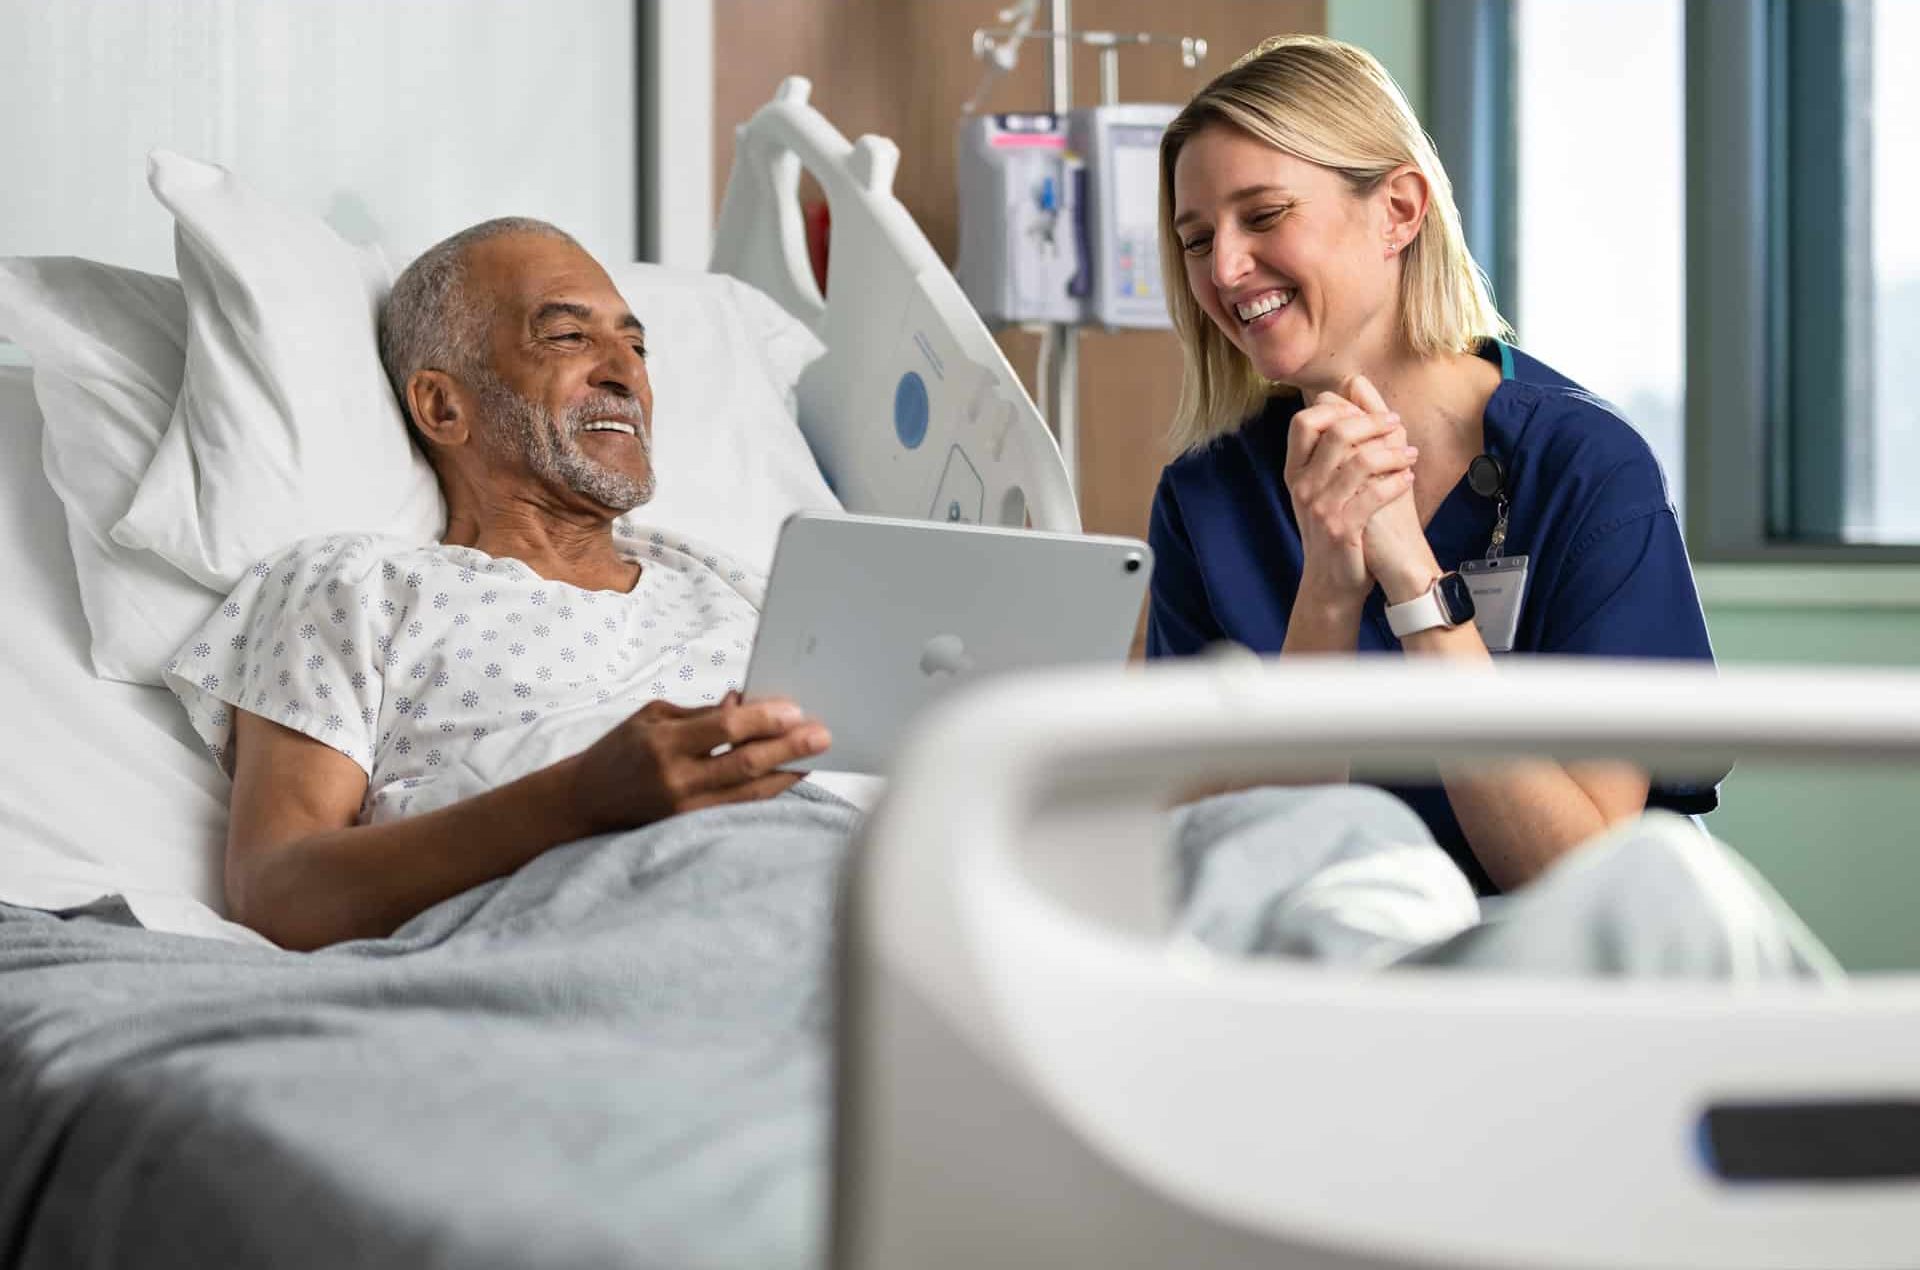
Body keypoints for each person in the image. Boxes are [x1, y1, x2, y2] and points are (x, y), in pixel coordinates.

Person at [1146, 35, 1721, 895]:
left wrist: (1415, 584)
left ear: (1400, 210)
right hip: (1320, 949)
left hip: (1547, 959)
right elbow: (1224, 868)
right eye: (1196, 241)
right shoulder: (1208, 498)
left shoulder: (1584, 469)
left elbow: (1581, 876)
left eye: (1263, 216)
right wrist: (1328, 598)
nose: (1226, 269)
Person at [165, 218, 832, 950]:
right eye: (570, 338)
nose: (626, 374)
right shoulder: (353, 586)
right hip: (595, 942)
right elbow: (278, 891)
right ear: (443, 407)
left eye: (636, 346)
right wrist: (579, 800)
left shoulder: (744, 588)